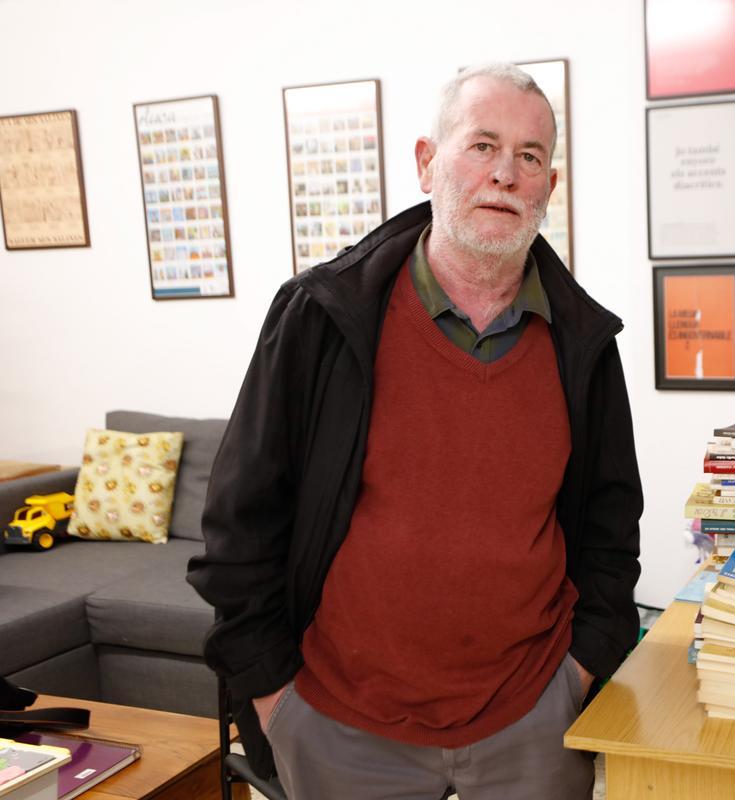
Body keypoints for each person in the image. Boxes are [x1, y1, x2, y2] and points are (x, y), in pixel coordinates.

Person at [187, 63, 643, 800]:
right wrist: (275, 700)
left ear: (548, 189)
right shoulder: (321, 319)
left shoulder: (583, 344)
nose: (504, 173)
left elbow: (610, 531)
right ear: (428, 162)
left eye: (530, 157)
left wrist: (580, 670)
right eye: (482, 145)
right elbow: (240, 525)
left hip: (532, 720)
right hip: (339, 725)